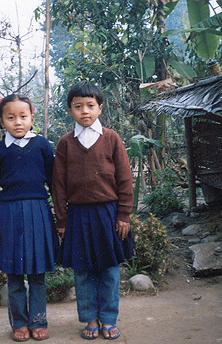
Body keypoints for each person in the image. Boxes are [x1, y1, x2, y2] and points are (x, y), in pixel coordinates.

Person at [52, 81, 133, 340]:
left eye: (90, 106)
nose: (84, 111)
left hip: (108, 214)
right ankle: (90, 319)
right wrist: (62, 219)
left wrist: (123, 215)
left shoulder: (111, 139)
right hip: (77, 216)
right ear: (70, 111)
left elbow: (124, 178)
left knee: (109, 269)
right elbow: (58, 185)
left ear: (100, 108)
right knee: (83, 271)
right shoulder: (65, 143)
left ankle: (108, 319)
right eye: (78, 107)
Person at [0, 94, 57, 342]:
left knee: (37, 273)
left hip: (38, 212)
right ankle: (19, 323)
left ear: (32, 118)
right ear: (2, 120)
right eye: (10, 117)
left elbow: (54, 183)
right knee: (14, 274)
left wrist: (60, 216)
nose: (17, 122)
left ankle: (38, 320)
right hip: (8, 216)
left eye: (23, 116)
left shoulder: (43, 146)